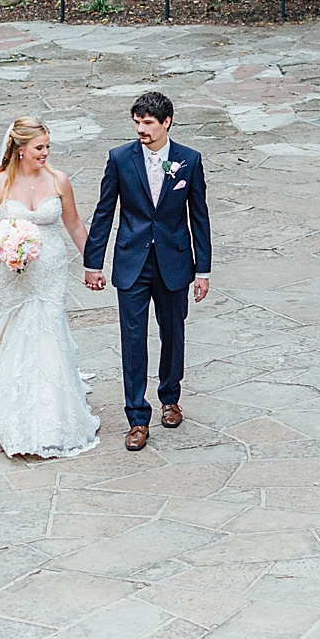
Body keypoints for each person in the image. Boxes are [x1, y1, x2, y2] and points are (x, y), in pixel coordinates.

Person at [0, 118, 101, 460]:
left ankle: (52, 413)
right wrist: (2, 245)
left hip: (51, 271)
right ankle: (11, 404)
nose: (45, 153)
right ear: (21, 149)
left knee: (49, 329)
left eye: (47, 147)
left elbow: (73, 223)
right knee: (17, 331)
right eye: (39, 148)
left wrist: (93, 262)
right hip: (16, 272)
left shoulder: (59, 181)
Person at [81, 90, 212, 452]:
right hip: (131, 261)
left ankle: (170, 398)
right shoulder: (120, 158)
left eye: (148, 123)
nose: (141, 129)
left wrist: (203, 270)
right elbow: (104, 211)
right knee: (133, 340)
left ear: (166, 122)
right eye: (137, 122)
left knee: (173, 333)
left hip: (174, 261)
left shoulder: (189, 160)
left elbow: (199, 217)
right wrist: (94, 261)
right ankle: (137, 418)